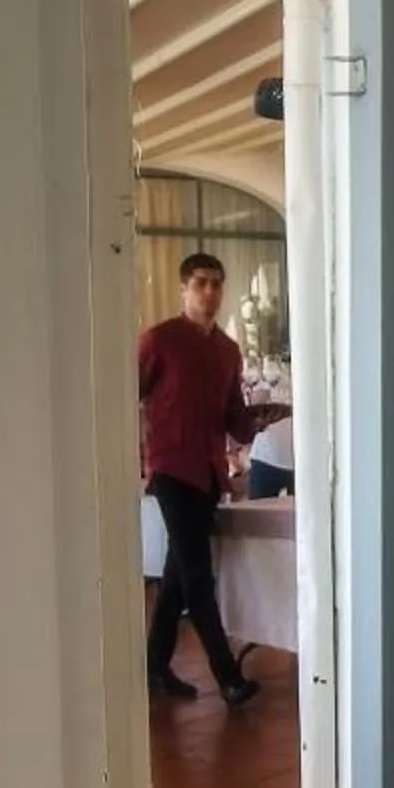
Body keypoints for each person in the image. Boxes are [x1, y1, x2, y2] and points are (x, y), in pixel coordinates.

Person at [137, 251, 279, 704]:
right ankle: (227, 676)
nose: (211, 291)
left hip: (210, 472)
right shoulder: (159, 340)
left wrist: (261, 421)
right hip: (171, 470)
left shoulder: (228, 351)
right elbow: (127, 397)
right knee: (198, 576)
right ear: (184, 288)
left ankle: (154, 667)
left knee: (178, 573)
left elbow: (235, 419)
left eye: (217, 283)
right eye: (201, 282)